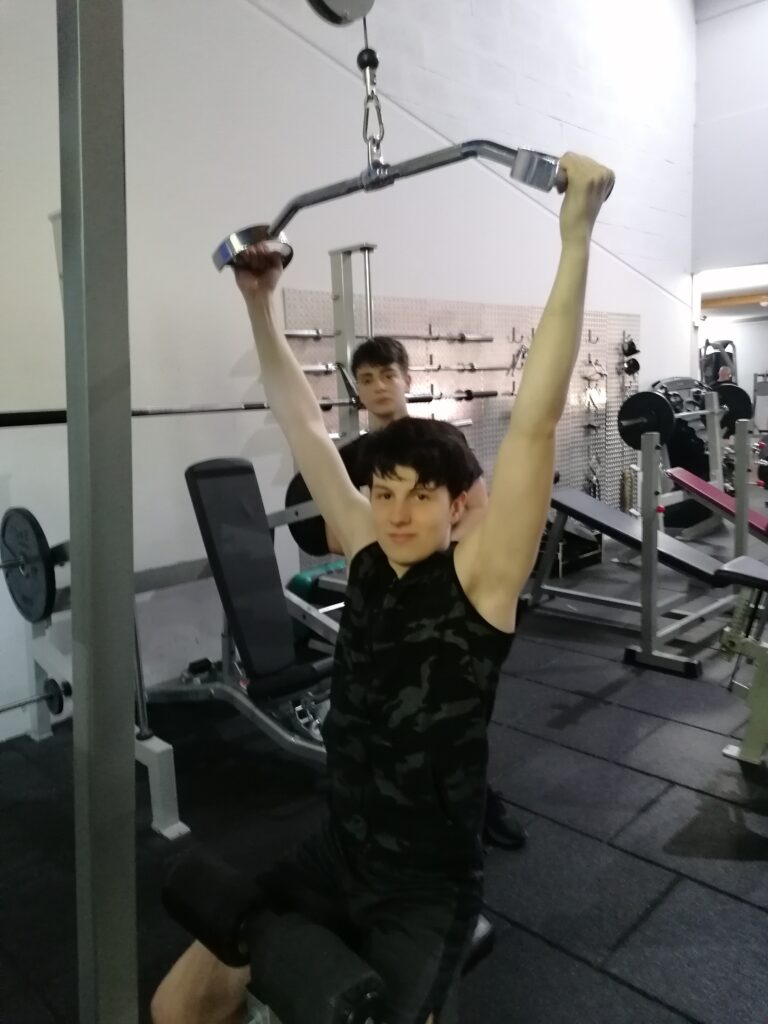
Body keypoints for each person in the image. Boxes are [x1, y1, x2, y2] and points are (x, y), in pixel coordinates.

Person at [151, 151, 614, 1024]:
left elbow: (536, 421)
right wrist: (258, 304)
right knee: (179, 1005)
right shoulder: (366, 549)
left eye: (421, 497)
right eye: (386, 494)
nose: (398, 514)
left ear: (455, 506)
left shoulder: (482, 584)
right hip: (335, 851)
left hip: (423, 887)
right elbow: (301, 421)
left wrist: (577, 236)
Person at [287, 335, 527, 851]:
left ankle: (477, 799)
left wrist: (440, 559)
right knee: (386, 711)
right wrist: (391, 551)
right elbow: (339, 531)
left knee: (454, 711)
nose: (378, 387)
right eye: (367, 379)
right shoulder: (355, 459)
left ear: (406, 380)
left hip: (448, 596)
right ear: (358, 390)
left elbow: (478, 510)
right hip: (383, 604)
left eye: (387, 375)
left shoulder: (442, 442)